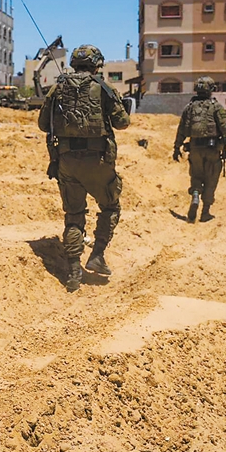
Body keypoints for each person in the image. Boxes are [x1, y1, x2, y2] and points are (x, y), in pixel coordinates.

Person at [38, 45, 131, 292]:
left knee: (74, 215)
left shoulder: (58, 88)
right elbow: (122, 123)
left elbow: (43, 125)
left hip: (66, 161)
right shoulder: (104, 87)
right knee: (111, 206)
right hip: (98, 160)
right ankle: (97, 254)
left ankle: (74, 272)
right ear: (97, 64)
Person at [173, 76, 226, 222]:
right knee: (211, 179)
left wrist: (177, 147)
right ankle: (205, 212)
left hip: (194, 148)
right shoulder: (216, 107)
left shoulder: (189, 108)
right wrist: (225, 141)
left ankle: (195, 195)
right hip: (212, 149)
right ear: (211, 89)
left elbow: (181, 130)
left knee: (196, 175)